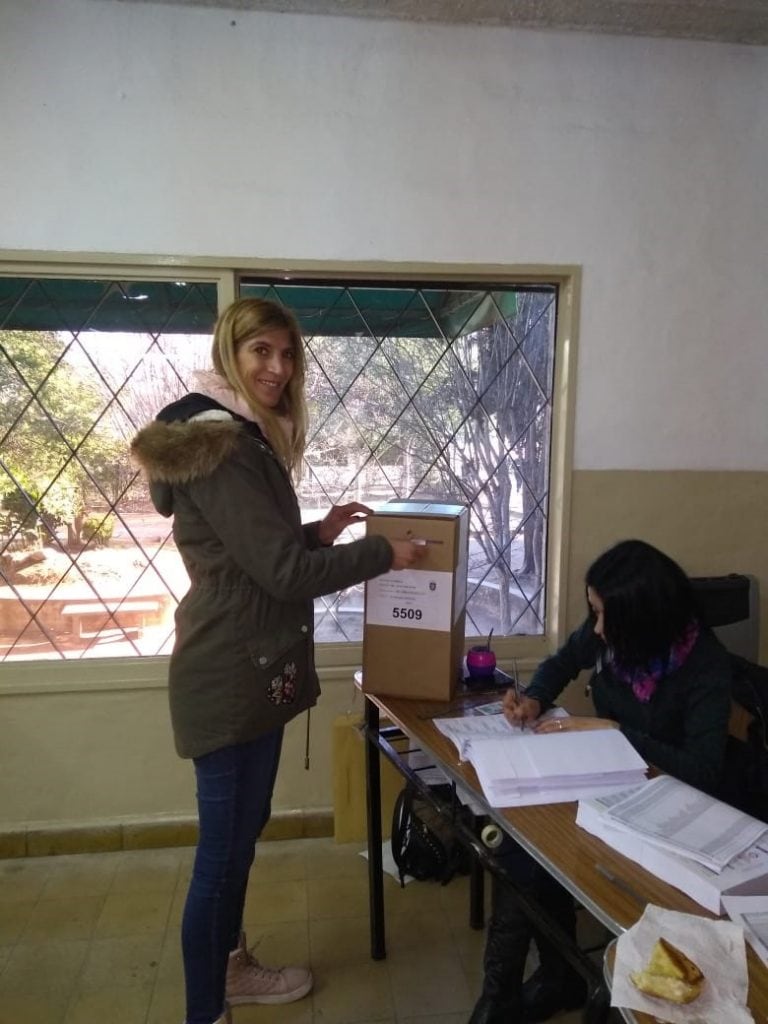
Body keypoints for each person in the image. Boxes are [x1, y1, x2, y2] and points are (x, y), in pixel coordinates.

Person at [130, 297, 424, 1024]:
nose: (278, 368)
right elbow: (282, 576)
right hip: (229, 677)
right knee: (221, 858)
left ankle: (231, 968)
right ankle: (208, 1009)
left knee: (239, 837)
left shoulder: (240, 438)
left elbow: (257, 549)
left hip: (250, 667)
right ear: (231, 351)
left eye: (288, 354)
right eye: (262, 351)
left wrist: (317, 533)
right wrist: (385, 554)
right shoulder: (224, 444)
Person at [469, 539, 732, 1024]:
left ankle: (555, 984)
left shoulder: (706, 669)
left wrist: (616, 732)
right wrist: (535, 699)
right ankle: (534, 984)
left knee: (546, 849)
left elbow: (703, 772)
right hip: (611, 780)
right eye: (594, 613)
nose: (596, 627)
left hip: (669, 807)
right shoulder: (614, 636)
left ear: (642, 617)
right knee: (525, 845)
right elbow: (563, 661)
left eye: (602, 615)